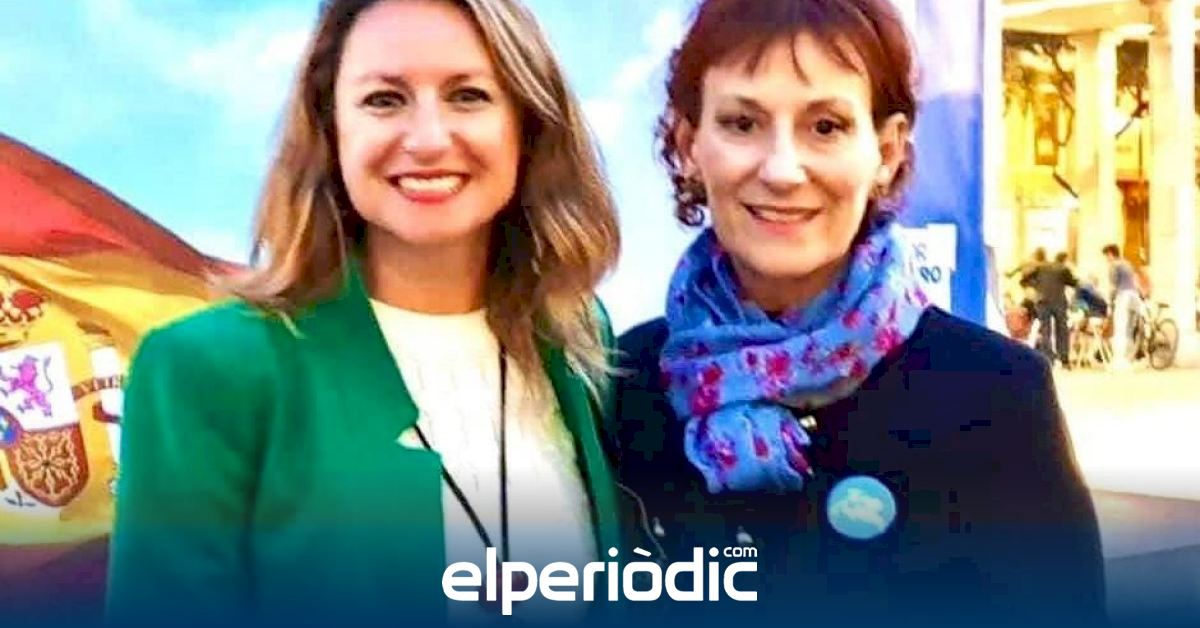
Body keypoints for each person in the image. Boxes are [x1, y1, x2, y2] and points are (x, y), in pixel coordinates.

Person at [107, 0, 622, 625]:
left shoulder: (577, 337)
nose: (428, 139)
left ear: (528, 124)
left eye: (468, 96)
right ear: (330, 130)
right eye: (384, 100)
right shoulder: (206, 369)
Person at [610, 0, 1107, 625]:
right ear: (689, 145)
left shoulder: (994, 395)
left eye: (826, 127)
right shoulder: (629, 383)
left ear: (888, 151)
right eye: (742, 123)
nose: (782, 170)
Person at [1020, 250, 1078, 368]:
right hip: (1059, 302)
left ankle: (1048, 359)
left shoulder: (1039, 268)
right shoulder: (1063, 269)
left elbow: (1024, 281)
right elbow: (1073, 283)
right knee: (1062, 329)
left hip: (1042, 301)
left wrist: (1036, 287)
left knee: (1045, 330)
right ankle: (1064, 359)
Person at [1103, 243, 1141, 368]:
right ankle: (1128, 359)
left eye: (1106, 256)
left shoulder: (1114, 265)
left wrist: (1110, 302)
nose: (1106, 259)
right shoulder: (1127, 264)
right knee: (1129, 329)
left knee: (1120, 328)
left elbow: (1113, 286)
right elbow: (1135, 281)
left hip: (1123, 296)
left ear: (1110, 254)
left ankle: (1119, 360)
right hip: (1134, 297)